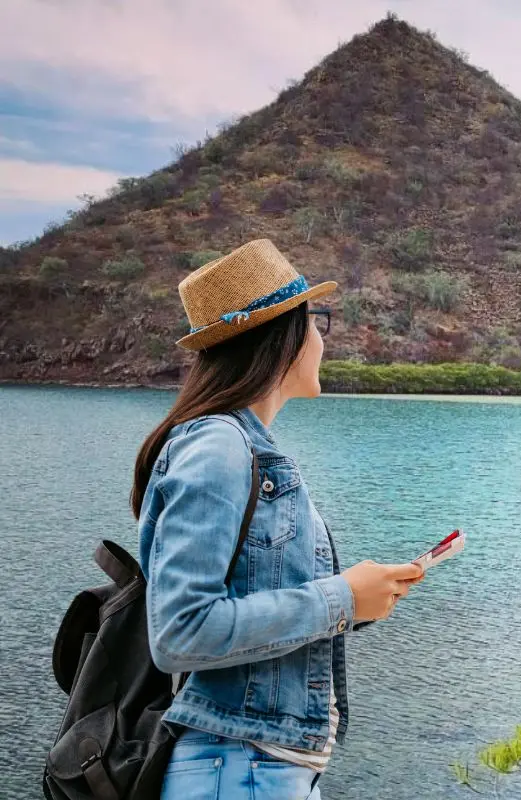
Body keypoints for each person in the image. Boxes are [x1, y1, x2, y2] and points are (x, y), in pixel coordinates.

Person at [129, 239, 423, 798]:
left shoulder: (243, 445)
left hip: (259, 767)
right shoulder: (218, 447)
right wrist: (339, 598)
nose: (320, 340)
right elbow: (181, 631)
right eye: (316, 322)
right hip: (239, 769)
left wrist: (358, 602)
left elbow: (250, 598)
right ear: (284, 336)